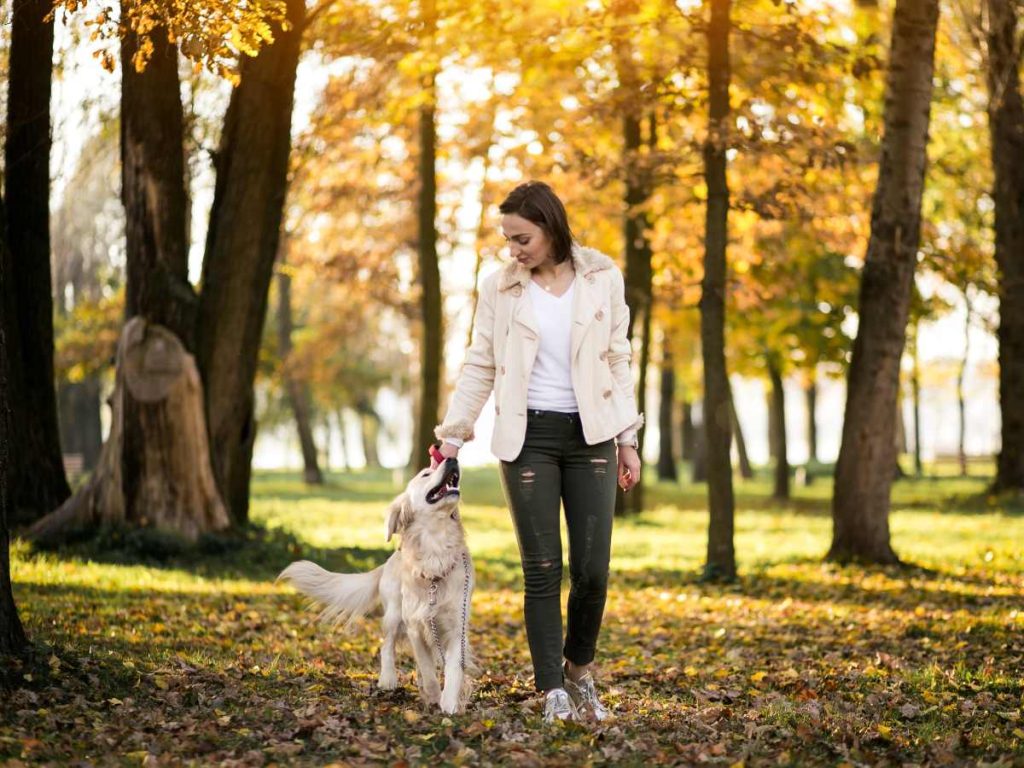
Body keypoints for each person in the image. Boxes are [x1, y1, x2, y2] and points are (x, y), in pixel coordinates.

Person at [431, 180, 643, 723]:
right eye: (508, 240)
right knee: (543, 568)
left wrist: (627, 439)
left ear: (551, 226)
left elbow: (618, 359)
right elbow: (481, 362)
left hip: (592, 435)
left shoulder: (602, 278)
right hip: (528, 440)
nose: (514, 250)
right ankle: (551, 689)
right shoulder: (500, 288)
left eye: (522, 238)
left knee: (593, 570)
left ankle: (579, 672)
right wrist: (453, 435)